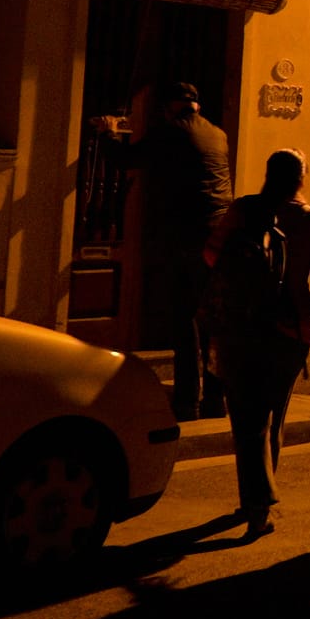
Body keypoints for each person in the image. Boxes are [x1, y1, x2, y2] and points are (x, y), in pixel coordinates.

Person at [205, 148, 310, 538]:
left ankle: (256, 501)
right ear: (301, 179)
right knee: (271, 417)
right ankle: (259, 501)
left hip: (239, 327)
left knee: (247, 418)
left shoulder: (243, 210)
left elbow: (211, 253)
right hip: (288, 331)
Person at [94, 80, 235, 420]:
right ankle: (217, 399)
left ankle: (188, 401)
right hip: (221, 237)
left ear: (172, 106)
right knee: (213, 321)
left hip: (188, 238)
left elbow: (126, 159)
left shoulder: (171, 132)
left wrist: (107, 132)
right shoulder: (217, 134)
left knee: (184, 319)